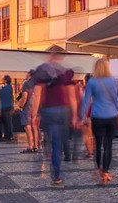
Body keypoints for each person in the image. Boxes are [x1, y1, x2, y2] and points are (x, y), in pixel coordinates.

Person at [32, 53, 78, 186]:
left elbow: (37, 94)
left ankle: (52, 163)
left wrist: (34, 114)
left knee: (51, 141)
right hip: (62, 110)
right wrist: (74, 115)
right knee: (58, 143)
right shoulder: (65, 73)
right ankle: (56, 175)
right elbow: (72, 97)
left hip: (48, 110)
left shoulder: (42, 72)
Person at [81, 59, 118, 183]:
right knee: (108, 145)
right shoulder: (115, 81)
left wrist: (82, 116)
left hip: (98, 116)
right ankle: (106, 171)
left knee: (98, 144)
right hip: (112, 117)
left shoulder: (92, 82)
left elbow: (86, 101)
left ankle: (99, 169)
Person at [17, 70, 38, 153]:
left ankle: (30, 146)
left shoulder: (27, 84)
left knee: (27, 126)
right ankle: (36, 146)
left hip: (27, 108)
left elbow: (25, 97)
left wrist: (21, 105)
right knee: (35, 127)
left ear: (29, 75)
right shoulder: (38, 84)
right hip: (36, 108)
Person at [0, 76, 14, 142]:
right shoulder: (8, 87)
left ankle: (8, 136)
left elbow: (1, 95)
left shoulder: (7, 88)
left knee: (7, 122)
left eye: (3, 79)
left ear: (5, 80)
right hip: (7, 107)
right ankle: (8, 135)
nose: (2, 80)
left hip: (6, 107)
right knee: (7, 122)